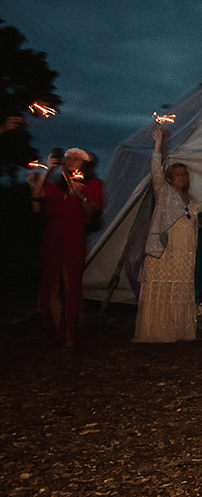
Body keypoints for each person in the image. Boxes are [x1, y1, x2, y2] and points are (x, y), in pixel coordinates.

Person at [28, 147, 105, 349]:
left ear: (84, 164)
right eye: (69, 158)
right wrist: (47, 171)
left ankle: (71, 333)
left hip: (73, 233)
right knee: (51, 284)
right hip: (52, 233)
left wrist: (83, 197)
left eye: (76, 159)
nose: (71, 161)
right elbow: (36, 195)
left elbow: (91, 211)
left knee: (70, 283)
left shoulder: (92, 184)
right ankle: (57, 332)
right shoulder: (56, 185)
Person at [134, 128, 198, 343]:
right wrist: (159, 144)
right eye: (178, 174)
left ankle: (178, 330)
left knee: (180, 286)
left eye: (184, 174)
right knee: (163, 285)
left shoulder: (189, 198)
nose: (182, 177)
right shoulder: (164, 191)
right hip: (167, 246)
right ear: (169, 178)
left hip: (186, 248)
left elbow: (188, 218)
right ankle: (157, 331)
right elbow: (156, 171)